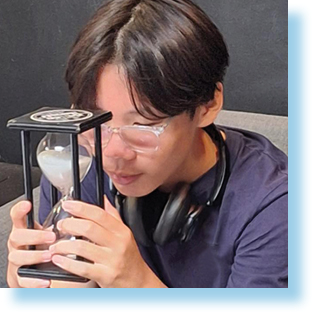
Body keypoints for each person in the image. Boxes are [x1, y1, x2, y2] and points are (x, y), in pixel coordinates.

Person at [7, 0, 288, 288]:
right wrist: (26, 286)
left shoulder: (276, 208)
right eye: (95, 121)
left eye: (142, 125)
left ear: (208, 104)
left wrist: (137, 283)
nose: (112, 155)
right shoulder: (79, 168)